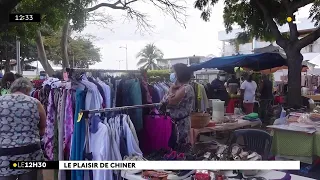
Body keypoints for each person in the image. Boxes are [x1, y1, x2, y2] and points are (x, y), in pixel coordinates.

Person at [0, 78, 46, 179]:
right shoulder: (36, 103)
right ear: (27, 89)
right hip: (29, 152)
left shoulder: (1, 100)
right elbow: (43, 129)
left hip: (4, 154)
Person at [163, 63, 195, 145]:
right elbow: (163, 102)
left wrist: (170, 91)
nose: (173, 74)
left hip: (181, 125)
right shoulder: (178, 88)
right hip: (174, 123)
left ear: (179, 74)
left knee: (181, 148)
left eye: (174, 72)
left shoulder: (186, 88)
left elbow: (171, 102)